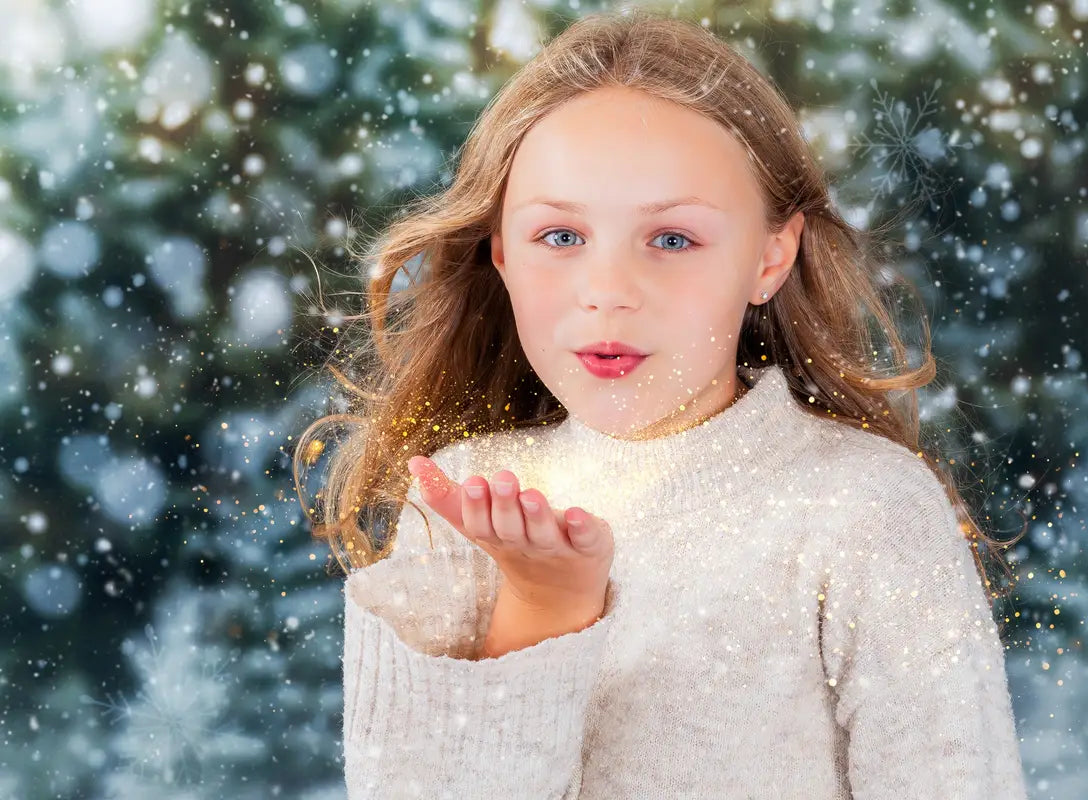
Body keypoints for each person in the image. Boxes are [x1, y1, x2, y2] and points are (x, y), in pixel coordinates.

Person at [293, 9, 1029, 799]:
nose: (608, 292)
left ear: (770, 257)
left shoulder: (865, 509)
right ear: (501, 253)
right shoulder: (461, 502)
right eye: (561, 237)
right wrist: (543, 608)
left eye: (673, 239)